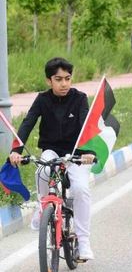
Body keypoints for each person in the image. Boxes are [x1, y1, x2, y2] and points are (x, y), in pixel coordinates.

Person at [9, 57, 96, 260]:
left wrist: (89, 152)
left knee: (81, 190)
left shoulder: (80, 98)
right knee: (42, 170)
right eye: (58, 79)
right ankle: (43, 208)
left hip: (76, 154)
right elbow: (28, 122)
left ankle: (83, 242)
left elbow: (87, 125)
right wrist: (17, 151)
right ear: (49, 81)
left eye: (67, 78)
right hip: (51, 151)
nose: (64, 83)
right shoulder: (42, 99)